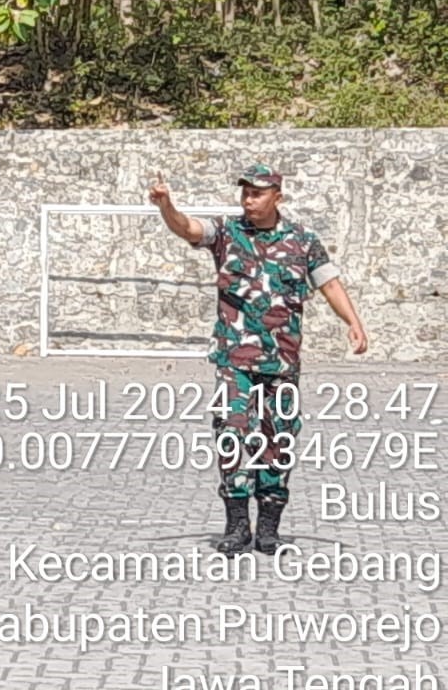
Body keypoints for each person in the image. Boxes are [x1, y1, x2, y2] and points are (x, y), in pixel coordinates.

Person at [153, 167, 368, 556]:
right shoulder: (227, 233)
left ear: (277, 197)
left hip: (282, 363)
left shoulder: (303, 241)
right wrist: (167, 205)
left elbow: (329, 283)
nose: (248, 200)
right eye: (246, 193)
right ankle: (237, 525)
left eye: (257, 194)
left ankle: (269, 528)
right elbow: (187, 228)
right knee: (233, 434)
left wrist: (353, 323)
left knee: (278, 440)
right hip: (234, 360)